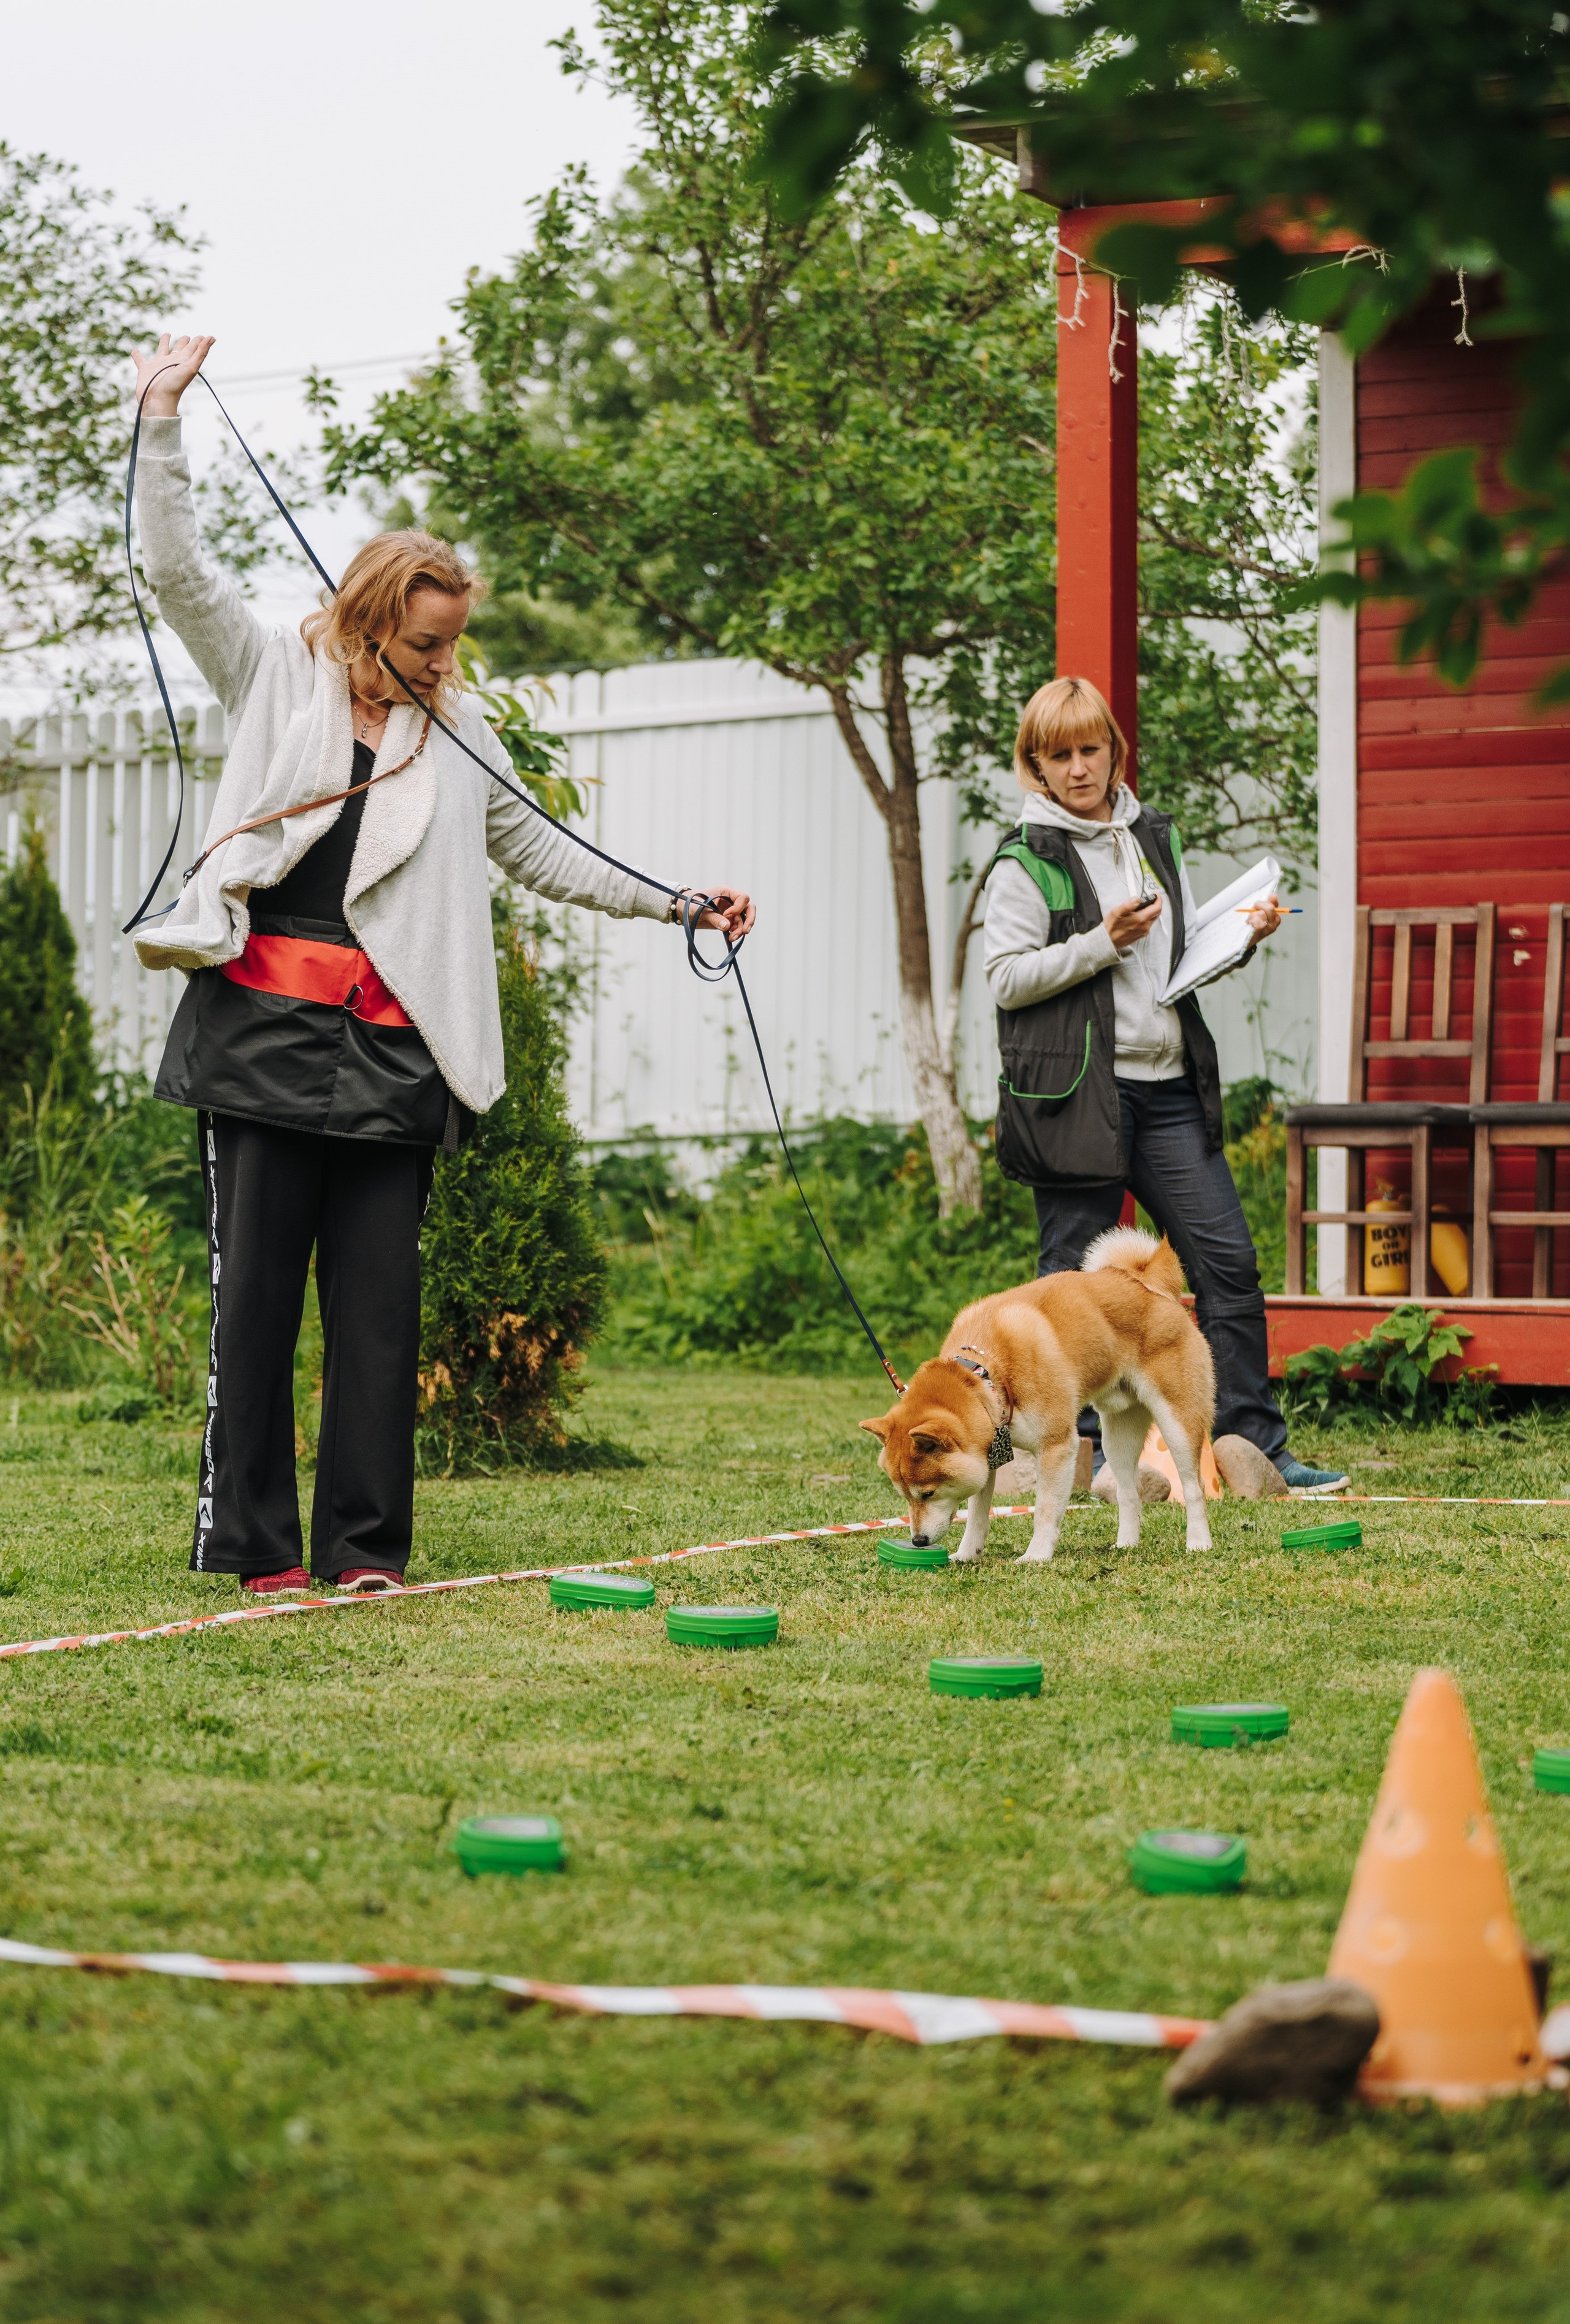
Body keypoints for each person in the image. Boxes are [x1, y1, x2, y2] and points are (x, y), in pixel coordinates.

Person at [129, 333, 756, 1597]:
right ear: (369, 619)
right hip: (257, 1035)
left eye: (452, 643)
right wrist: (158, 420)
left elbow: (543, 849)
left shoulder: (459, 728)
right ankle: (255, 1547)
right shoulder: (272, 677)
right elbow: (175, 570)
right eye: (423, 644)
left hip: (391, 1052)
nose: (442, 664)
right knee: (253, 1312)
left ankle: (363, 1550)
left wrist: (674, 900)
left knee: (376, 1319)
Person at [982, 675, 1346, 1496]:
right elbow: (1006, 978)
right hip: (1081, 1100)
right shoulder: (1024, 860)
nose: (1078, 767)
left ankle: (1253, 1447)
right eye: (1059, 755)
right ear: (1036, 767)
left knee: (1228, 1265)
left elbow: (1171, 965)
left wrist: (1239, 941)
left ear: (1116, 750)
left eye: (1090, 749)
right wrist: (1100, 943)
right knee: (1066, 1289)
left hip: (1171, 1087)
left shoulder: (1154, 834)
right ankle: (1064, 1458)